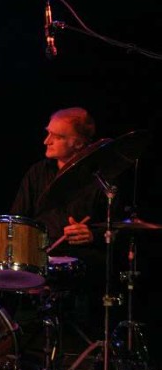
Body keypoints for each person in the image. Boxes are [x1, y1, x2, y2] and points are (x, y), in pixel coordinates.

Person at [9, 106, 119, 340]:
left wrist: (93, 234)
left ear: (78, 143)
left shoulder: (101, 179)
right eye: (48, 133)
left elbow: (121, 227)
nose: (46, 141)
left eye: (56, 136)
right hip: (38, 258)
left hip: (82, 265)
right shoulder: (38, 173)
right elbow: (18, 221)